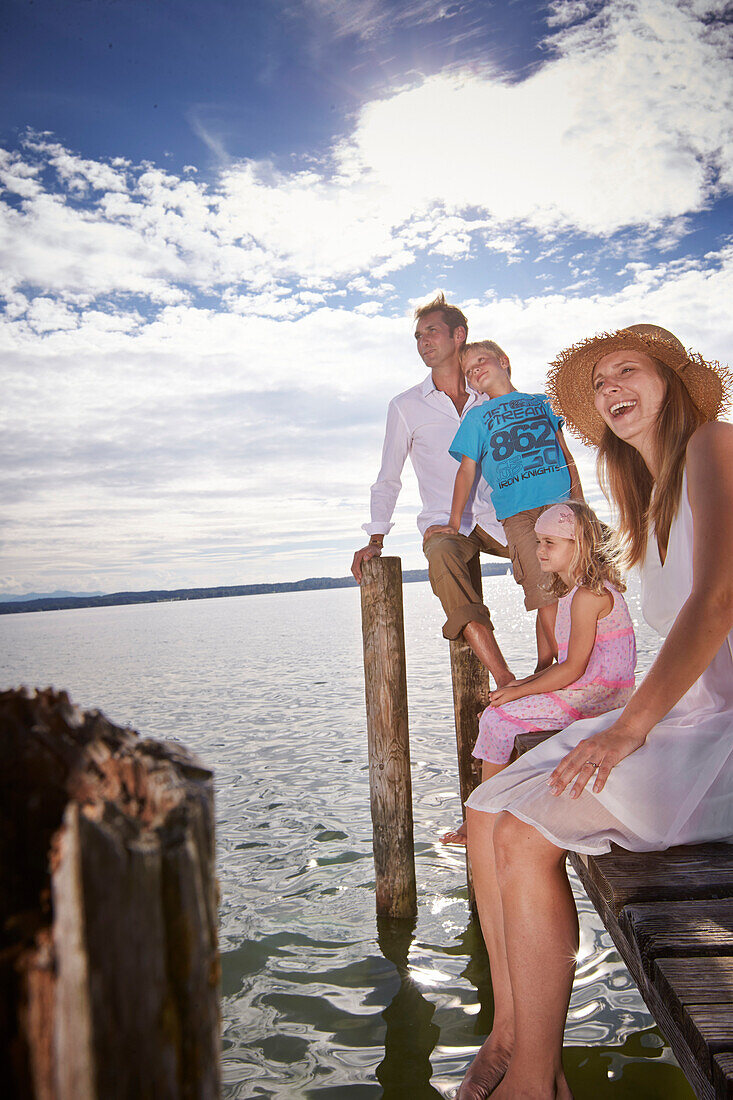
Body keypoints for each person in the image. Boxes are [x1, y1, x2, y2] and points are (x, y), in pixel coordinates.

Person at [457, 324, 733, 1100]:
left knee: (528, 826)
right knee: (487, 805)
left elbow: (714, 604)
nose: (611, 388)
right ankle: (510, 1028)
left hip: (721, 735)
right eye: (598, 383)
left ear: (671, 384)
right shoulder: (643, 497)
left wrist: (627, 727)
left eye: (627, 372)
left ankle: (536, 1082)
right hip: (701, 718)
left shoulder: (713, 444)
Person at [441, 500, 636, 847]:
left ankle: (480, 817)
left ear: (581, 546)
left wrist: (519, 692)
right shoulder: (572, 592)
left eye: (550, 542)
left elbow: (574, 668)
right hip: (586, 688)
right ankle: (490, 807)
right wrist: (521, 684)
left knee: (498, 719)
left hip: (597, 697)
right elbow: (568, 664)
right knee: (495, 713)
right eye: (537, 541)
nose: (539, 550)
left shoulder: (589, 596)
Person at [351, 295, 515, 686]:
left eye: (432, 332)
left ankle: (564, 671)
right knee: (442, 557)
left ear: (459, 335)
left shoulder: (490, 395)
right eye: (418, 336)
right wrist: (376, 539)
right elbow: (388, 476)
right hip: (446, 523)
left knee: (559, 559)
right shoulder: (406, 405)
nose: (423, 342)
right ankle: (506, 679)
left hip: (503, 516)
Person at [437, 340, 583, 670]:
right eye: (468, 371)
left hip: (561, 508)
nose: (474, 370)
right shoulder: (476, 418)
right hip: (519, 516)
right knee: (542, 589)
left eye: (480, 361)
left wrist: (580, 503)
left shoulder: (541, 402)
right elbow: (466, 471)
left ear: (504, 361)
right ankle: (570, 668)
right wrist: (453, 520)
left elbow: (566, 455)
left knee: (572, 586)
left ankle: (546, 667)